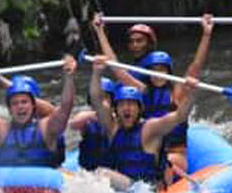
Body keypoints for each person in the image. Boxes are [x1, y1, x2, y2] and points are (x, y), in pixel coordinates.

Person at [91, 13, 214, 182]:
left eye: (162, 69)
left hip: (174, 151)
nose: (158, 73)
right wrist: (100, 32)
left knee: (168, 163)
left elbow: (196, 66)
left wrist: (206, 34)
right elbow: (117, 68)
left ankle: (165, 192)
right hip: (148, 147)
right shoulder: (142, 91)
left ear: (169, 72)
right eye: (154, 69)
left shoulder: (176, 92)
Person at [89, 55, 197, 191]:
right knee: (96, 172)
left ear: (140, 109)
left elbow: (180, 116)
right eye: (122, 104)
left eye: (131, 104)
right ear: (115, 109)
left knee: (102, 174)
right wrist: (96, 72)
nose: (126, 108)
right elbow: (96, 100)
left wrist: (191, 94)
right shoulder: (112, 127)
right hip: (127, 187)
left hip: (148, 192)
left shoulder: (150, 128)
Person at [70, 77, 115, 170]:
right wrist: (98, 114)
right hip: (88, 171)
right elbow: (73, 124)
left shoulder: (117, 119)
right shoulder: (87, 118)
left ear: (112, 100)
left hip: (110, 170)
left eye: (104, 97)